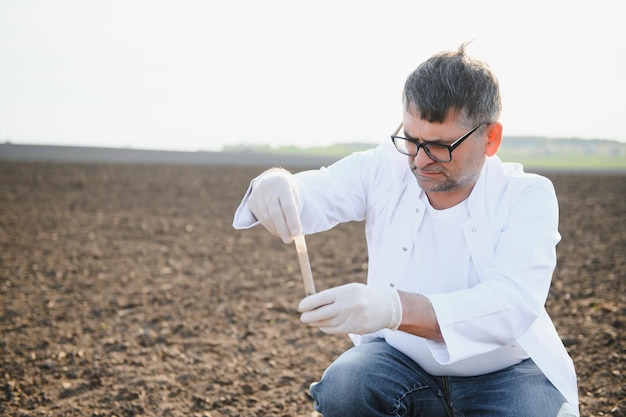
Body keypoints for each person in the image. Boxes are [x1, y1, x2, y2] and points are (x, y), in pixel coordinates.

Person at [232, 43, 579, 416]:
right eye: (411, 140)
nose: (420, 159)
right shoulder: (389, 164)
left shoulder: (527, 195)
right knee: (345, 387)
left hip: (506, 371)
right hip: (400, 362)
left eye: (440, 146)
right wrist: (276, 184)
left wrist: (394, 308)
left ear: (490, 138)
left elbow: (510, 305)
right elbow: (317, 191)